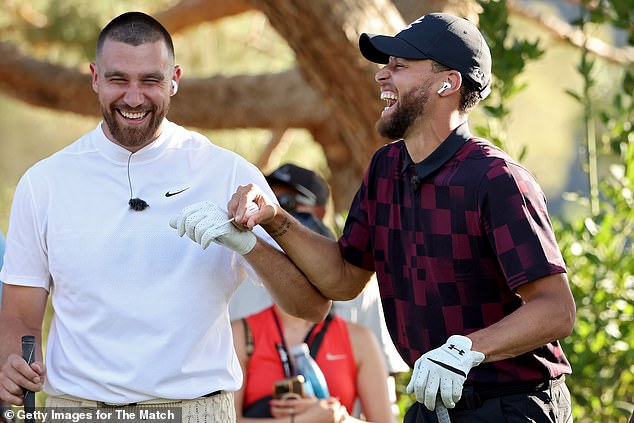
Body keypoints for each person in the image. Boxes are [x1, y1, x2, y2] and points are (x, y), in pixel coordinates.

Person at [212, 13, 576, 423]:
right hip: (430, 408)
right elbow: (343, 279)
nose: (381, 76)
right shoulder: (385, 168)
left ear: (448, 83)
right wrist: (274, 219)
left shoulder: (497, 179)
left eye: (399, 66)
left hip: (513, 408)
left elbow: (556, 310)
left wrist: (464, 350)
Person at [0, 11, 329, 423]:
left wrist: (249, 244)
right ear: (94, 77)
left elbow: (311, 306)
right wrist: (14, 360)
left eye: (150, 81)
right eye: (119, 79)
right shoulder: (44, 182)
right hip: (76, 411)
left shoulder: (228, 173)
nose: (134, 98)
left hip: (194, 411)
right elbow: (19, 314)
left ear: (174, 78)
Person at [229, 164, 409, 377]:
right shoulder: (242, 266)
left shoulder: (354, 276)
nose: (274, 212)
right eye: (269, 200)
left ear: (321, 210)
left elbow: (386, 374)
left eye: (287, 203)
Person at [232, 304, 396, 423]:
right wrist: (305, 419)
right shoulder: (240, 333)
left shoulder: (359, 339)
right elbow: (224, 419)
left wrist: (339, 418)